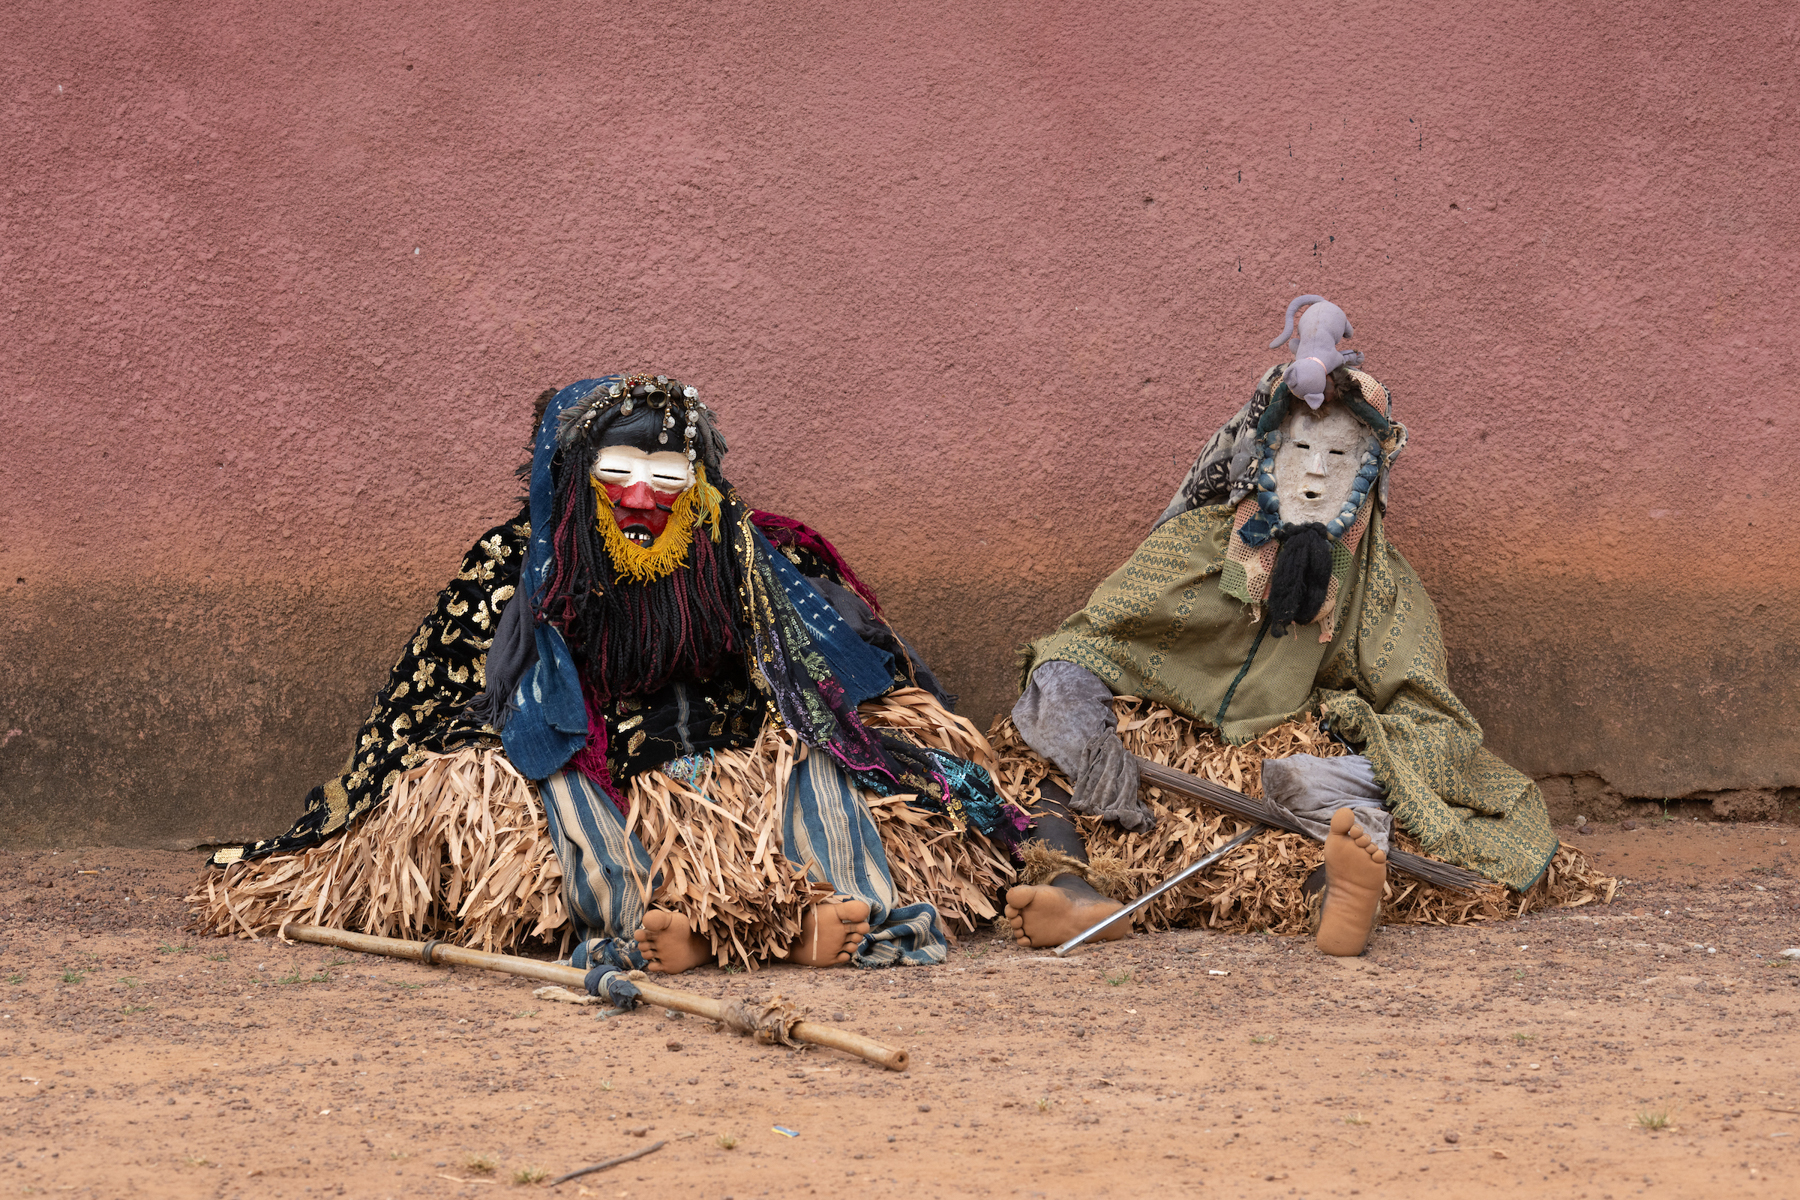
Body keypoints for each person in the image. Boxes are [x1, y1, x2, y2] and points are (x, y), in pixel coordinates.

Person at [200, 373, 1026, 972]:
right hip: (573, 730)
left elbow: (804, 655)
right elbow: (444, 686)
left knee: (814, 741)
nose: (643, 497)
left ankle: (835, 910)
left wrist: (762, 710)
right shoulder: (515, 562)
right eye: (619, 472)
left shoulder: (731, 553)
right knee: (553, 764)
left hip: (709, 728)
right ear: (571, 473)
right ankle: (642, 924)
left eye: (670, 475)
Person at [1001, 298, 1567, 957]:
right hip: (1156, 743)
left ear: (1370, 472)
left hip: (1290, 760)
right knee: (1046, 703)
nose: (1319, 470)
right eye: (1301, 447)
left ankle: (1338, 885)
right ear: (1265, 456)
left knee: (1375, 784)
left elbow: (1429, 714)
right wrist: (1090, 728)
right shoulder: (1200, 542)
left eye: (1341, 454)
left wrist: (1359, 730)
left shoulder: (1380, 584)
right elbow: (1095, 633)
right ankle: (1070, 886)